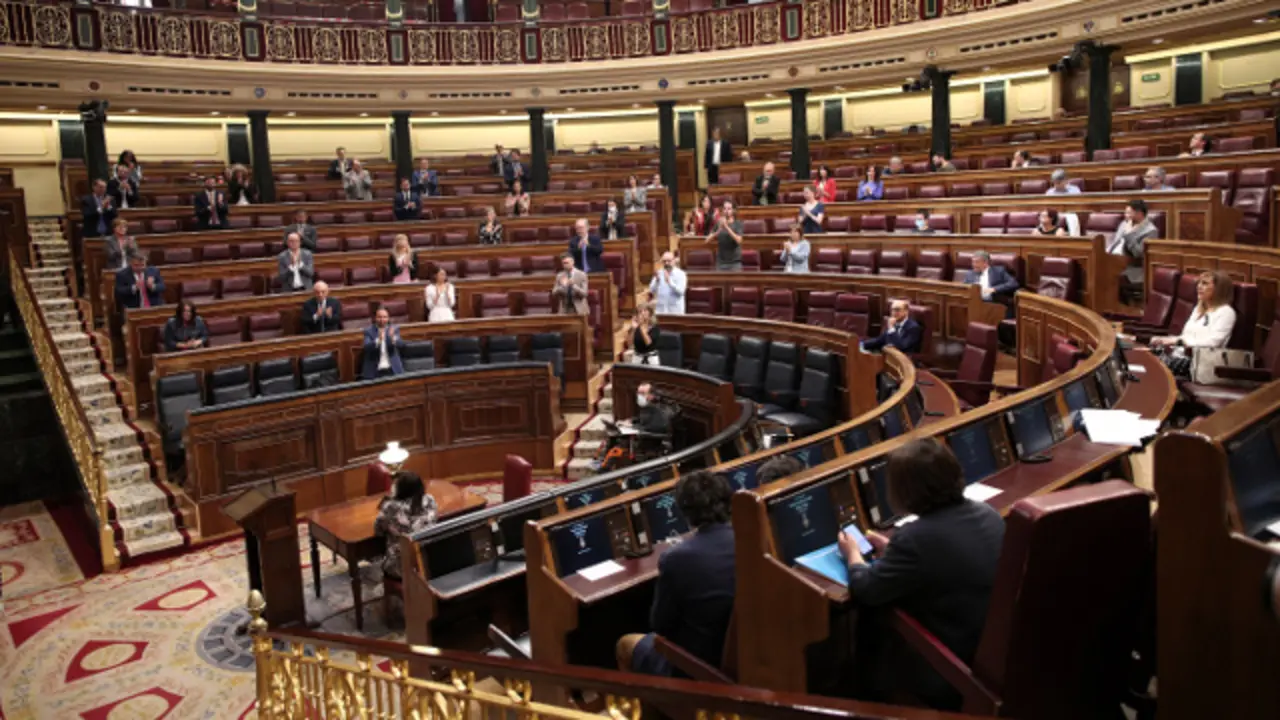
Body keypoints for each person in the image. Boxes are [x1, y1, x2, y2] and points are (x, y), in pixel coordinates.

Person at [837, 439, 1004, 709]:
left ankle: (867, 703)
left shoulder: (915, 539)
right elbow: (942, 558)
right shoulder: (988, 514)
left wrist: (853, 554)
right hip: (992, 650)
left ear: (905, 491)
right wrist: (892, 550)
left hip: (951, 666)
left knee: (870, 616)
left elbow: (866, 589)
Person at [615, 470, 735, 677]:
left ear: (684, 511)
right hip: (739, 652)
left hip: (699, 666)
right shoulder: (749, 539)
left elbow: (661, 626)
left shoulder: (677, 558)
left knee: (626, 644)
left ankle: (648, 708)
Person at [1150, 271, 1236, 377]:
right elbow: (1186, 336)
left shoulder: (1226, 312)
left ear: (1219, 289)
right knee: (1147, 357)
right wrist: (1163, 340)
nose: (1199, 286)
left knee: (1153, 367)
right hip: (1180, 357)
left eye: (1205, 283)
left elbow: (1214, 342)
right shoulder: (1199, 309)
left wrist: (1180, 341)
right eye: (1199, 283)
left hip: (1200, 364)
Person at [375, 471, 438, 580]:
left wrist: (390, 499)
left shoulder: (391, 507)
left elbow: (378, 530)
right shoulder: (429, 500)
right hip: (428, 562)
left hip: (402, 567)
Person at [1109, 199, 1159, 293]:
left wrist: (1129, 235)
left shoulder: (1151, 231)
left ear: (1139, 214)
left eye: (1128, 213)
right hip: (1113, 259)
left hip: (1132, 268)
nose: (1125, 215)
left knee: (1104, 272)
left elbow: (1138, 254)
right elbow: (1115, 242)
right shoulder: (1124, 223)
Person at [362, 307, 405, 379]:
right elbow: (366, 347)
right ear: (375, 318)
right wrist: (378, 340)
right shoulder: (368, 331)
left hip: (392, 370)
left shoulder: (394, 329)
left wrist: (393, 338)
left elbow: (401, 345)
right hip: (375, 371)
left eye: (385, 317)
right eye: (379, 317)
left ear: (388, 318)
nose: (382, 320)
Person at [706, 199, 744, 271]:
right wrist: (717, 232)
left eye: (729, 209)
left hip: (735, 263)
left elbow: (739, 240)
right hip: (721, 263)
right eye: (725, 208)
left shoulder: (738, 223)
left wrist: (726, 227)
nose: (726, 211)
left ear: (733, 210)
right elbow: (707, 240)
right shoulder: (718, 223)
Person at [1045, 169, 1081, 235]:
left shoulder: (1075, 190)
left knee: (1072, 218)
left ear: (1065, 181)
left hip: (1070, 213)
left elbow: (1078, 206)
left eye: (1058, 183)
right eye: (1054, 183)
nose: (1056, 185)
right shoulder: (1049, 192)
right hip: (1055, 214)